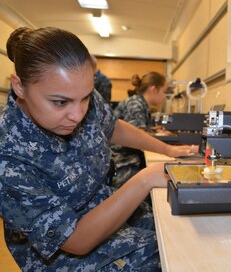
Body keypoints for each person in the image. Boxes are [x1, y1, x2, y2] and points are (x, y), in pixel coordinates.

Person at [0, 27, 195, 271]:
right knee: (170, 256)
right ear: (19, 86)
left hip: (104, 205)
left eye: (85, 98)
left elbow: (114, 128)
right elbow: (76, 241)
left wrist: (168, 150)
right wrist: (143, 180)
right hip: (64, 254)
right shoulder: (7, 154)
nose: (77, 114)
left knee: (180, 227)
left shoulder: (79, 93)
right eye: (60, 102)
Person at [111, 72, 171, 188]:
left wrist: (154, 132)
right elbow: (138, 135)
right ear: (154, 89)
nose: (164, 96)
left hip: (128, 159)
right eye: (164, 91)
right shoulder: (135, 103)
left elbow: (139, 131)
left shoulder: (140, 103)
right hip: (123, 163)